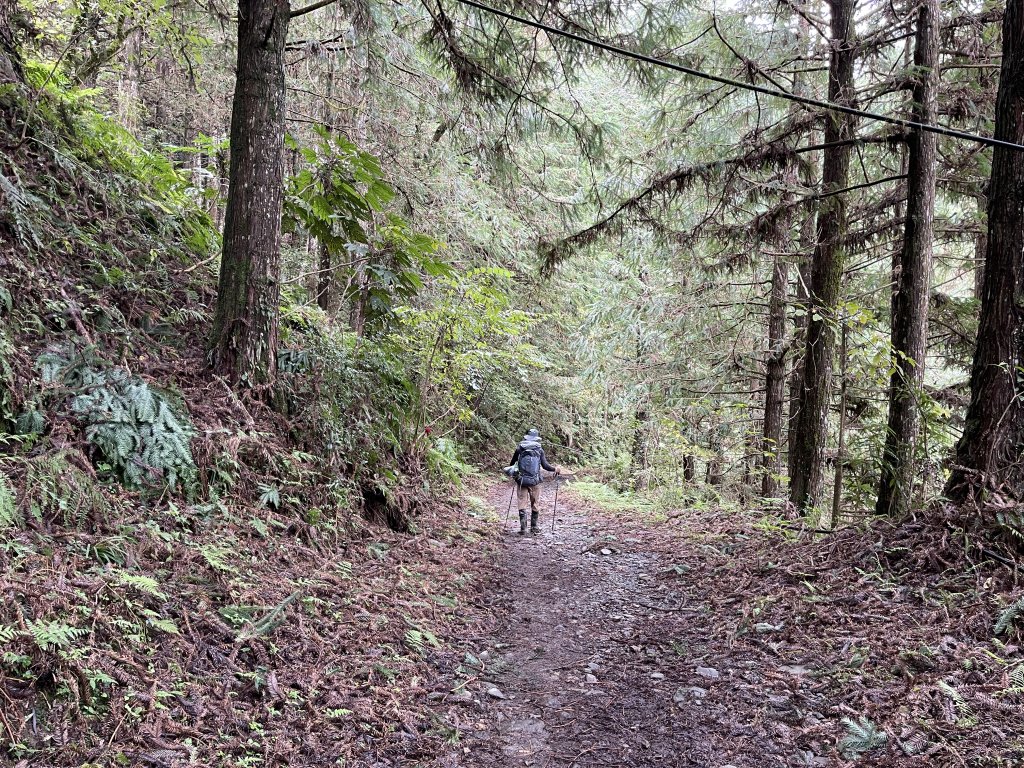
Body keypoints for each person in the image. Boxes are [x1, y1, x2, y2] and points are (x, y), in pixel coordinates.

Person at [508, 428, 557, 535]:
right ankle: (534, 527)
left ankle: (523, 528)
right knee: (535, 502)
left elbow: (512, 464)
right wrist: (555, 469)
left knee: (522, 502)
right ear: (536, 438)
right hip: (535, 481)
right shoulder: (540, 450)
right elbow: (545, 466)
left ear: (526, 437)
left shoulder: (519, 449)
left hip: (521, 481)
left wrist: (514, 473)